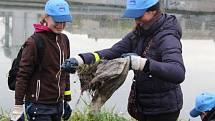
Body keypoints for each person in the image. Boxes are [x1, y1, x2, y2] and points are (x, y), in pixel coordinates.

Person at [61, 0, 186, 121]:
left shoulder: (167, 37)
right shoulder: (139, 33)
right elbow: (113, 52)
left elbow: (177, 72)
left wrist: (140, 63)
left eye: (139, 15)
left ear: (152, 11)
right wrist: (81, 60)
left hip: (164, 109)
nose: (136, 20)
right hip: (143, 105)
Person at [10, 0, 72, 121]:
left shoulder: (64, 40)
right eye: (57, 21)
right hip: (38, 106)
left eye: (64, 21)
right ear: (46, 17)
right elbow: (23, 75)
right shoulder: (34, 42)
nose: (61, 25)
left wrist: (66, 100)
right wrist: (17, 108)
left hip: (58, 105)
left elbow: (65, 72)